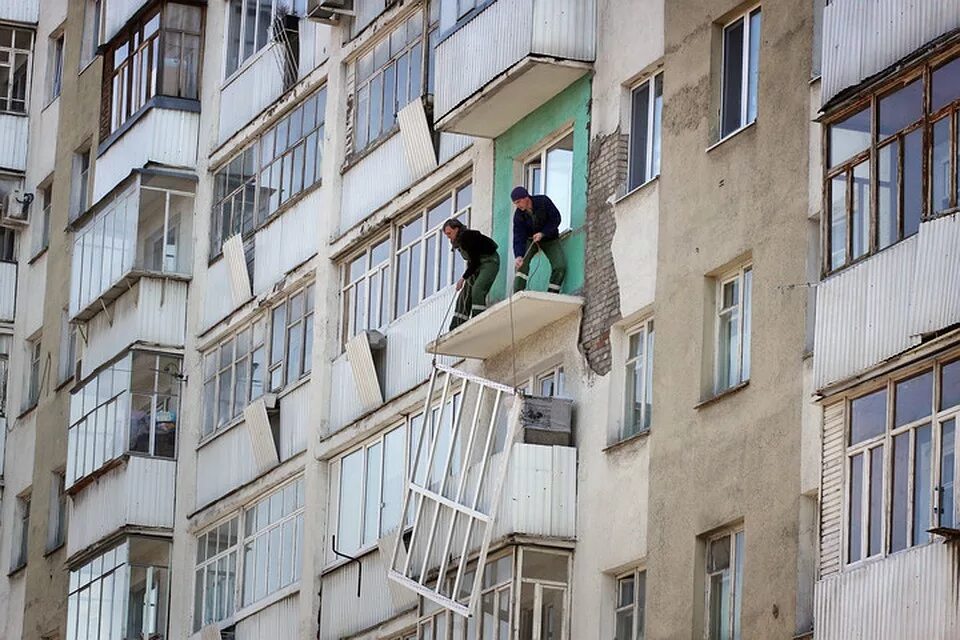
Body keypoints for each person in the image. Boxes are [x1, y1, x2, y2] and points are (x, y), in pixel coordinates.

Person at [443, 219, 500, 330]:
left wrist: (463, 278)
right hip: (477, 266)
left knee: (477, 289)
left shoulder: (467, 237)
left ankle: (478, 319)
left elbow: (474, 261)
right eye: (446, 235)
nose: (448, 237)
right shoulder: (458, 243)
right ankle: (456, 326)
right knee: (464, 294)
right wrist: (467, 278)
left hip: (489, 262)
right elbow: (472, 262)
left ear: (456, 229)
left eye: (449, 233)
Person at [510, 186, 566, 293]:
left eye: (518, 202)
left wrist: (543, 233)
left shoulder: (543, 201)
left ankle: (552, 292)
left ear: (526, 197)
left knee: (560, 265)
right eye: (515, 203)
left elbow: (556, 218)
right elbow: (518, 236)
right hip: (531, 241)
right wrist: (518, 255)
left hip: (549, 238)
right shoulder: (518, 215)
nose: (517, 206)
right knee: (522, 264)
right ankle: (518, 292)